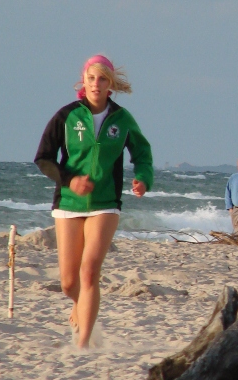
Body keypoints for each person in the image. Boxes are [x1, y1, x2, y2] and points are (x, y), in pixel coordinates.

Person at [35, 55, 153, 348]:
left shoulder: (122, 119)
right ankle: (83, 307)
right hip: (68, 203)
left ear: (110, 84)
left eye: (102, 79)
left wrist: (143, 178)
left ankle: (83, 344)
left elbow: (142, 153)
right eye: (91, 78)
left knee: (89, 272)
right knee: (68, 283)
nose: (96, 84)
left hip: (105, 203)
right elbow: (44, 158)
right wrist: (69, 180)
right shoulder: (67, 116)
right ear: (83, 81)